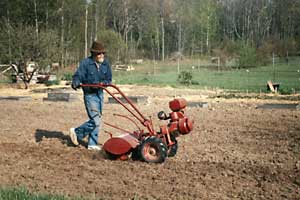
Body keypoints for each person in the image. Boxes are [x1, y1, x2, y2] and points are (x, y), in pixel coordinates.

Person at [69, 41, 112, 150]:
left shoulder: (105, 64)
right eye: (99, 53)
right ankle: (77, 132)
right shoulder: (86, 63)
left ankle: (92, 144)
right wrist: (76, 82)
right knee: (95, 120)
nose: (102, 55)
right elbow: (78, 75)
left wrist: (105, 83)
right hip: (90, 95)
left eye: (103, 53)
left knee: (97, 119)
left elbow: (108, 78)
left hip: (100, 93)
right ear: (93, 54)